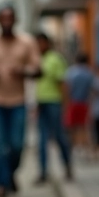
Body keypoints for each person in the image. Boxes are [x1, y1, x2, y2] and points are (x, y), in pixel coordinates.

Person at [0, 5, 42, 197]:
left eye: (10, 18)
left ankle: (11, 173)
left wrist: (22, 71)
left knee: (17, 144)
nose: (6, 22)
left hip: (18, 102)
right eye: (3, 18)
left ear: (15, 20)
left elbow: (38, 70)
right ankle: (2, 184)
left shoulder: (27, 42)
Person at [34, 33, 72, 184]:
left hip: (54, 102)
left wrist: (65, 104)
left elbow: (62, 83)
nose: (39, 46)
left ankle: (67, 164)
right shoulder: (36, 59)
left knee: (59, 136)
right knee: (42, 139)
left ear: (47, 43)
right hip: (41, 103)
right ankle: (43, 172)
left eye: (41, 43)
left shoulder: (55, 59)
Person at [64, 53, 95, 152]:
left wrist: (65, 102)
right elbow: (92, 90)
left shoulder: (71, 72)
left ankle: (74, 145)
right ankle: (83, 146)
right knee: (83, 126)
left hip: (73, 102)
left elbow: (67, 88)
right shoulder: (89, 73)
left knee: (72, 125)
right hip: (84, 103)